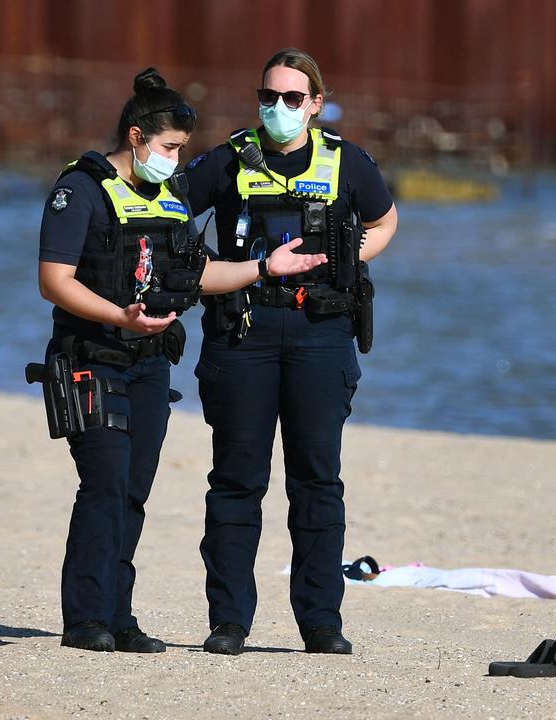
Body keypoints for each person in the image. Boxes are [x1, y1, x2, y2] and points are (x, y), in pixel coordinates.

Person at [36, 68, 324, 653]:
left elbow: (198, 274)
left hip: (149, 363)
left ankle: (118, 615)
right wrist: (120, 317)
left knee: (135, 490)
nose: (175, 159)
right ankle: (86, 618)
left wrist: (266, 268)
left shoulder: (166, 201)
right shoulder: (80, 190)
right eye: (169, 148)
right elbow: (53, 281)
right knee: (105, 483)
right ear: (137, 138)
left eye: (181, 150)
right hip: (91, 357)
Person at [183, 48, 398, 656]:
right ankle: (228, 622)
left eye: (292, 98)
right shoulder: (227, 161)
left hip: (320, 335)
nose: (278, 108)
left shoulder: (346, 162)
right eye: (268, 97)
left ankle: (321, 624)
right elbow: (167, 216)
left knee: (316, 483)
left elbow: (385, 222)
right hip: (243, 336)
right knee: (235, 483)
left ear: (315, 104)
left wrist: (347, 259)